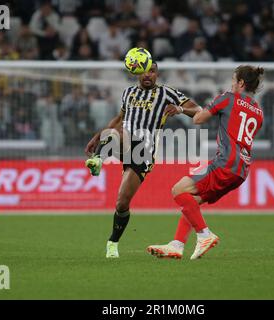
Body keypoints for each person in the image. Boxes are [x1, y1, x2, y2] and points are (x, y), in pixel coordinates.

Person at [84, 62, 201, 258]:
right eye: (144, 71)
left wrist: (180, 110)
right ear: (137, 73)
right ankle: (97, 160)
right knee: (114, 132)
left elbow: (198, 109)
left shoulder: (167, 93)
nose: (148, 75)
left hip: (144, 153)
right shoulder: (128, 93)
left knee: (122, 204)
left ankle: (112, 242)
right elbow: (120, 118)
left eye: (152, 71)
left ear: (157, 74)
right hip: (126, 143)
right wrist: (97, 137)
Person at [147, 65, 265, 260]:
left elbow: (199, 119)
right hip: (241, 171)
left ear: (241, 83)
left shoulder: (227, 97)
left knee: (178, 190)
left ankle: (204, 234)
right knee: (192, 203)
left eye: (234, 80)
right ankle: (177, 245)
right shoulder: (259, 113)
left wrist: (181, 109)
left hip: (224, 163)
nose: (232, 83)